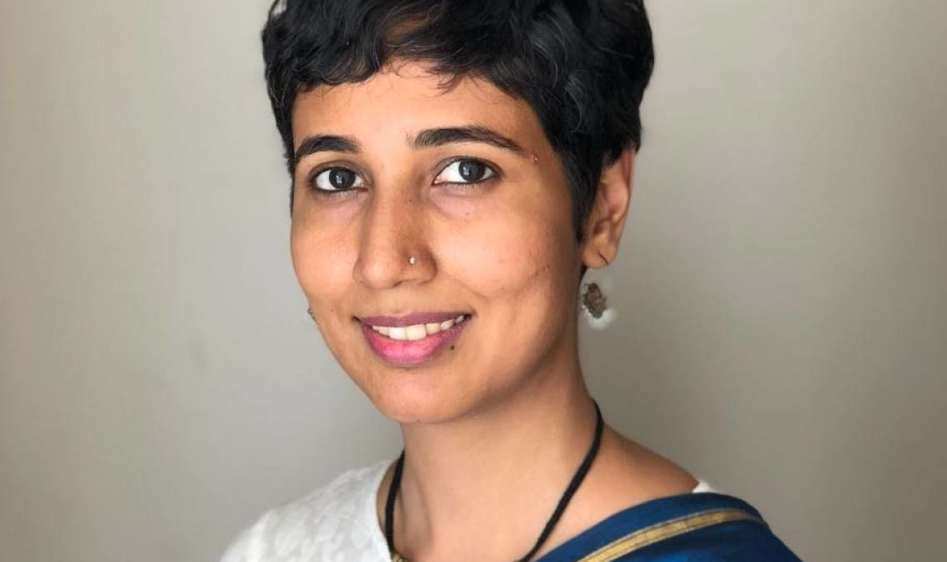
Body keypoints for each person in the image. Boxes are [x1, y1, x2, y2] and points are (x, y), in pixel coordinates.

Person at [222, 1, 801, 560]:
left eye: (465, 170)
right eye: (338, 178)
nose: (382, 261)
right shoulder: (272, 551)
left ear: (602, 207)